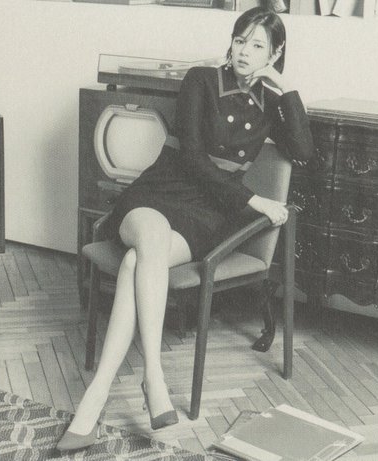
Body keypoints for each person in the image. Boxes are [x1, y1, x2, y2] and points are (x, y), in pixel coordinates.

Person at [57, 6, 313, 451]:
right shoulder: (201, 80)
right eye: (240, 40)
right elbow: (192, 158)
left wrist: (285, 86)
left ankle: (95, 398)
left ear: (275, 53)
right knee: (149, 241)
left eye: (257, 45)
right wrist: (253, 200)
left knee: (137, 262)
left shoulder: (271, 102)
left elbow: (304, 152)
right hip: (161, 191)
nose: (244, 52)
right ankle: (153, 375)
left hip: (208, 213)